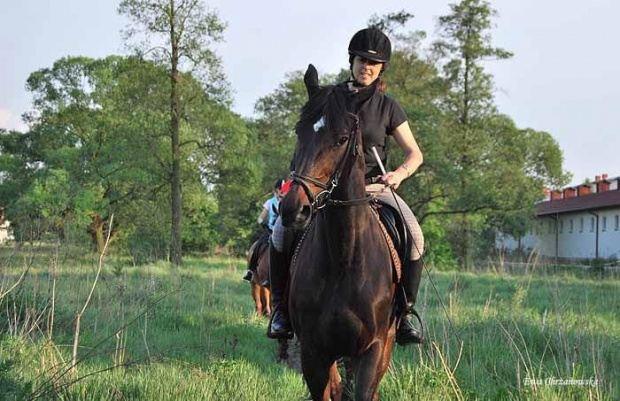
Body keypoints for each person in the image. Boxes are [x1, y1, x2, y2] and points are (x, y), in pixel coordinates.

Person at [267, 28, 426, 345]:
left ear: (381, 69)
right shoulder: (330, 97)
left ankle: (405, 313)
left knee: (416, 238)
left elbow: (415, 154)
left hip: (373, 188)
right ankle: (281, 309)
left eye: (373, 63)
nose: (366, 66)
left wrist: (398, 175)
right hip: (326, 190)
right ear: (351, 60)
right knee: (280, 232)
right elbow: (311, 137)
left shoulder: (388, 107)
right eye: (362, 60)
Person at [242, 178, 291, 282]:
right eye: (282, 189)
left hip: (286, 232)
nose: (284, 191)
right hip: (270, 230)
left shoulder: (288, 202)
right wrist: (263, 223)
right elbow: (260, 218)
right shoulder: (270, 202)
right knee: (258, 246)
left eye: (286, 189)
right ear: (277, 190)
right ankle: (250, 271)